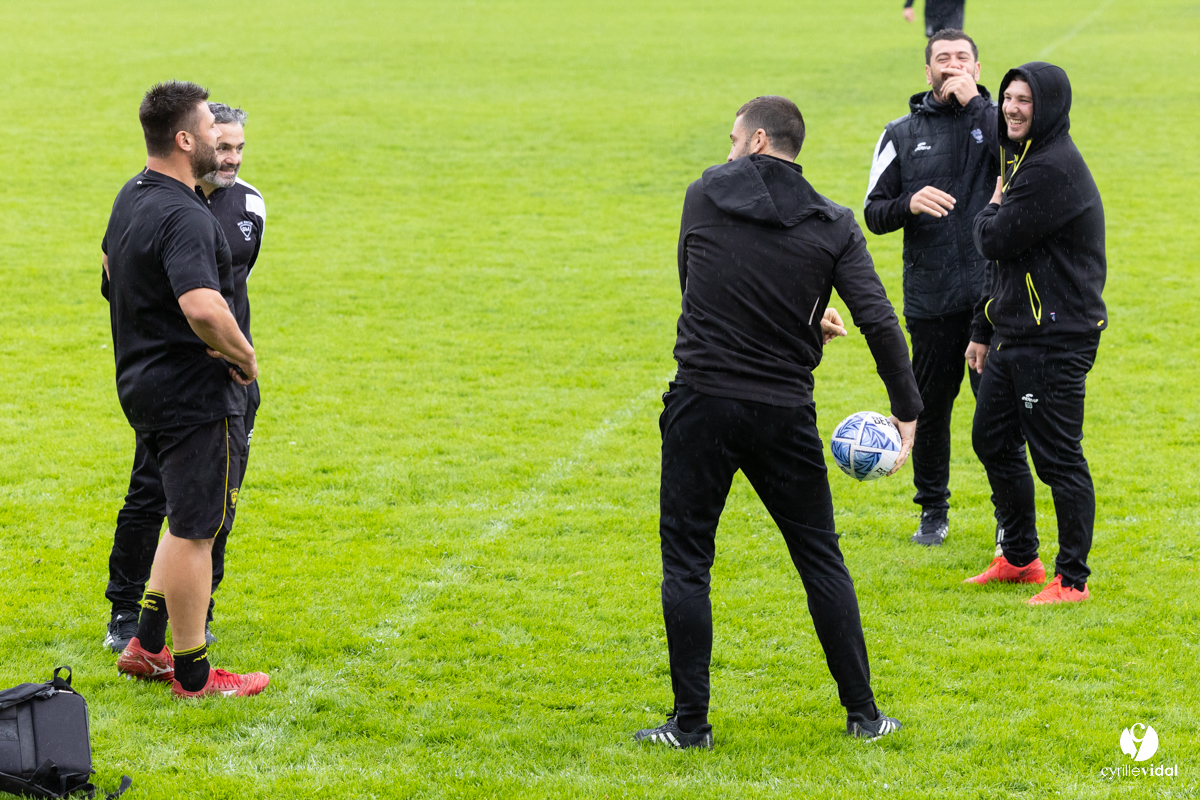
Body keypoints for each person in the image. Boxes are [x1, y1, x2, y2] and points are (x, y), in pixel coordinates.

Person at [634, 96, 921, 750]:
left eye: (734, 137)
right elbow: (876, 319)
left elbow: (697, 282)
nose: (728, 148)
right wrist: (907, 412)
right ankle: (865, 716)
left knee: (687, 565)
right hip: (782, 410)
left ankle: (690, 726)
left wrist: (785, 316)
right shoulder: (835, 223)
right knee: (821, 557)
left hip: (701, 401)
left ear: (758, 140)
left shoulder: (702, 195)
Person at [103, 81, 269, 697]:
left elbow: (109, 275)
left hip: (143, 383)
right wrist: (244, 355)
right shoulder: (185, 213)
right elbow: (203, 306)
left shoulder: (132, 197)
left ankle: (146, 645)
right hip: (193, 395)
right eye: (208, 130)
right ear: (184, 139)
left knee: (179, 518)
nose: (218, 142)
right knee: (197, 528)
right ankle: (194, 673)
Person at [963, 62, 1106, 605]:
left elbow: (994, 239)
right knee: (992, 440)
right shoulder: (1019, 156)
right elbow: (1007, 264)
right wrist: (982, 325)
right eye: (1007, 97)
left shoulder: (1052, 168)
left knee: (1058, 458)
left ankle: (1072, 580)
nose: (1012, 107)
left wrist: (992, 205)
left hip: (1057, 336)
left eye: (1025, 99)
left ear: (1048, 108)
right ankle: (1020, 558)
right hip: (1014, 330)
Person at [864, 29, 998, 546]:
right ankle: (932, 513)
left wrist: (978, 106)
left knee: (995, 416)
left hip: (993, 296)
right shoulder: (899, 133)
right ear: (927, 72)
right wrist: (909, 202)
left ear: (977, 69)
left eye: (962, 59)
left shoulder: (1001, 124)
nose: (952, 66)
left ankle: (1007, 518)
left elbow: (1021, 158)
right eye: (942, 59)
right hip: (932, 297)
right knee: (929, 411)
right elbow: (874, 212)